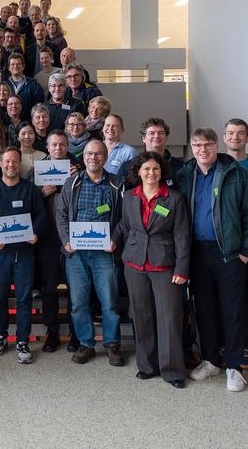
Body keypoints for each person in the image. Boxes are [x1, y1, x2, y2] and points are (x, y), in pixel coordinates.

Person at [177, 128, 248, 392]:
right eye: (197, 145)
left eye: (208, 144)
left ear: (217, 146)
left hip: (229, 254)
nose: (202, 149)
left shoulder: (237, 174)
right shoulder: (184, 175)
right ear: (192, 147)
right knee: (204, 309)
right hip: (197, 254)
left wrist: (246, 252)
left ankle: (234, 367)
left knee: (232, 310)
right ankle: (211, 360)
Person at [113, 151, 190, 389]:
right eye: (146, 169)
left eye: (155, 169)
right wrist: (113, 240)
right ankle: (147, 366)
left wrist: (182, 268)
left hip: (165, 264)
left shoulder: (174, 198)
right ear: (138, 172)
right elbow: (125, 226)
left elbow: (182, 235)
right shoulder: (129, 197)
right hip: (135, 264)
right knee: (141, 316)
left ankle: (173, 371)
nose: (151, 173)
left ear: (161, 172)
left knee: (169, 318)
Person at [55, 139, 125, 366]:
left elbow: (125, 218)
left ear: (104, 157)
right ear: (83, 156)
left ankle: (112, 343)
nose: (92, 158)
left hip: (105, 254)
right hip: (76, 254)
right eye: (88, 154)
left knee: (109, 302)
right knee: (78, 303)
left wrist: (115, 239)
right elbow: (61, 215)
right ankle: (86, 344)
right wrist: (66, 240)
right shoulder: (71, 183)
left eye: (97, 154)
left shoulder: (117, 184)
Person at [0, 147, 46, 364]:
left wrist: (35, 233)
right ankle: (0, 336)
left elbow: (41, 215)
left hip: (24, 253)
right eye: (7, 162)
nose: (10, 165)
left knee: (24, 299)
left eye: (14, 162)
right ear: (1, 164)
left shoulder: (30, 189)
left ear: (20, 164)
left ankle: (22, 340)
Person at [36, 130, 82, 352]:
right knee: (49, 286)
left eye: (62, 145)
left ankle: (76, 333)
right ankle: (52, 332)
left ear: (67, 146)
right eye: (53, 145)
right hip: (48, 235)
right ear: (47, 147)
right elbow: (28, 201)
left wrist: (74, 182)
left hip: (73, 233)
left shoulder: (78, 168)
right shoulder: (38, 170)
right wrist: (42, 193)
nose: (58, 149)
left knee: (75, 285)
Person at [222, 118, 248, 369]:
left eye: (240, 133)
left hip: (246, 247)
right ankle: (224, 345)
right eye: (231, 133)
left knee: (246, 297)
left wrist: (247, 250)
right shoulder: (217, 164)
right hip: (220, 247)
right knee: (220, 298)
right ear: (224, 137)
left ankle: (244, 345)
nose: (235, 137)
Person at [118, 117, 184, 190]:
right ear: (143, 138)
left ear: (166, 137)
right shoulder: (127, 167)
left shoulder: (181, 167)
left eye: (161, 133)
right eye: (152, 133)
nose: (156, 136)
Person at [6, 53, 45, 121]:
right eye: (12, 64)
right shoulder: (4, 85)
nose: (15, 66)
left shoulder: (34, 85)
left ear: (23, 66)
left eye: (18, 64)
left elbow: (39, 107)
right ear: (9, 68)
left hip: (28, 123)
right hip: (8, 124)